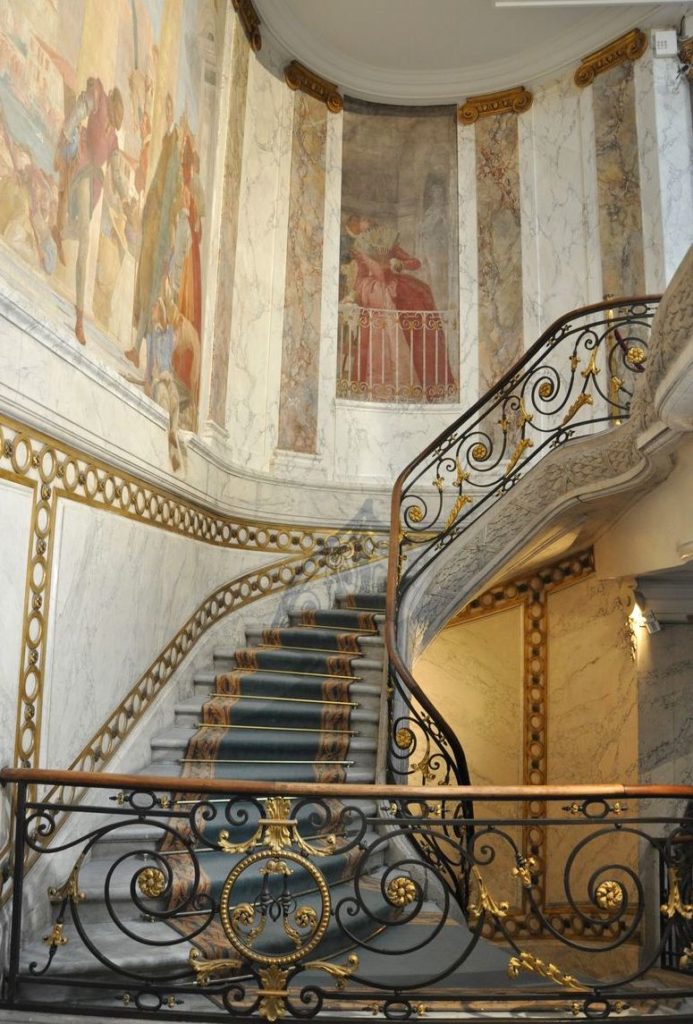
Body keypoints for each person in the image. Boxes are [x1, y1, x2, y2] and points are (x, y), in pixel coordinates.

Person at [341, 215, 455, 399]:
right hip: (373, 288)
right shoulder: (359, 250)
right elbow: (360, 277)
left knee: (420, 293)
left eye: (369, 221)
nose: (367, 223)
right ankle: (381, 385)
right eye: (363, 223)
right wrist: (353, 295)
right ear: (357, 230)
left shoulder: (389, 243)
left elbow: (415, 262)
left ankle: (419, 381)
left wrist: (400, 264)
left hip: (395, 284)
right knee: (381, 306)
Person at [52, 78, 126, 345]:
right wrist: (68, 129)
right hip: (82, 167)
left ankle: (58, 231)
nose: (118, 121)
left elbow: (117, 174)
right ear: (115, 105)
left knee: (80, 232)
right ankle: (80, 316)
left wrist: (127, 198)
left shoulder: (115, 139)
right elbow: (81, 109)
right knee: (84, 237)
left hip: (95, 184)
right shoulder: (101, 99)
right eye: (118, 115)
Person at [126, 92, 181, 368]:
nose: (168, 113)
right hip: (153, 227)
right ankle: (137, 347)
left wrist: (166, 232)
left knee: (151, 293)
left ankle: (140, 351)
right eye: (167, 108)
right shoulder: (165, 147)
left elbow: (173, 199)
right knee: (144, 285)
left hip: (160, 235)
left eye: (170, 109)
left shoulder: (174, 151)